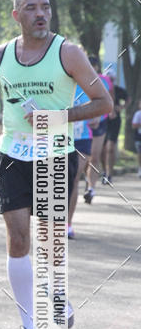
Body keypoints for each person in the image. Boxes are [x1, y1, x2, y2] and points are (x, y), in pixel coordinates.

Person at [0, 0, 112, 329]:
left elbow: (104, 102)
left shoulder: (69, 52)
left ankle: (57, 295)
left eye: (45, 7)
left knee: (48, 244)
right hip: (13, 154)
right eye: (31, 8)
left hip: (55, 153)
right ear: (16, 15)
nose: (40, 14)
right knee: (19, 240)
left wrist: (57, 116)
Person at [83, 56, 113, 203]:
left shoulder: (105, 81)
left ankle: (91, 188)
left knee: (94, 156)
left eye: (94, 65)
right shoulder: (77, 78)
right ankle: (84, 178)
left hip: (100, 122)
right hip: (81, 123)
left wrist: (102, 114)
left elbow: (109, 102)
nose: (92, 68)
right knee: (84, 158)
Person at [68, 83, 93, 239]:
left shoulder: (87, 86)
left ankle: (67, 224)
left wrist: (96, 119)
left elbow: (99, 106)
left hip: (82, 138)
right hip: (60, 137)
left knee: (73, 178)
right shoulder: (58, 82)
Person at [101, 70, 128, 184]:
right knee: (101, 149)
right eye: (108, 79)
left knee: (110, 148)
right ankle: (104, 171)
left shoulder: (118, 90)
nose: (110, 81)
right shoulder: (100, 89)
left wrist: (121, 108)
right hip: (103, 120)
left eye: (111, 79)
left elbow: (128, 98)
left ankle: (109, 174)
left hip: (114, 121)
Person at [132, 99, 141, 177]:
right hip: (139, 136)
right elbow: (134, 125)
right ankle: (140, 168)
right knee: (139, 153)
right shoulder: (138, 114)